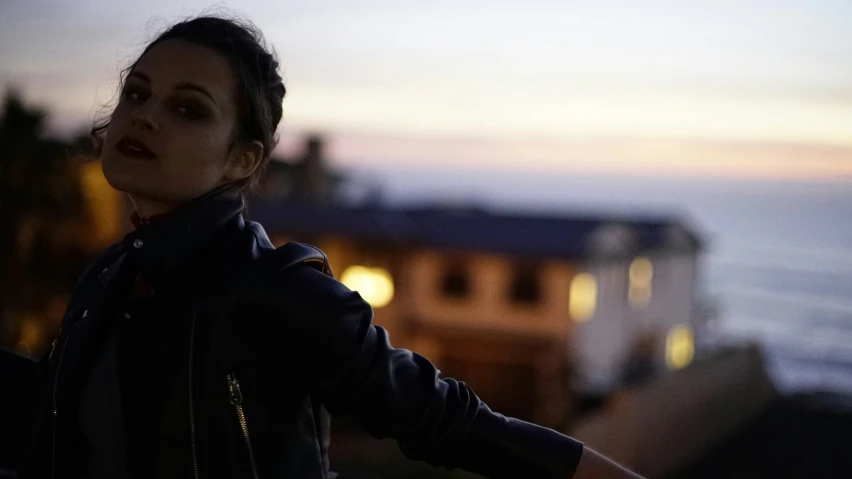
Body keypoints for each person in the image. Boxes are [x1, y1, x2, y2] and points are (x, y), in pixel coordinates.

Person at [2, 14, 642, 479]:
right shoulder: (111, 274)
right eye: (136, 94)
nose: (143, 115)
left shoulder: (277, 288)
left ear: (242, 158)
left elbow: (447, 421)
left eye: (189, 110)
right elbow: (64, 406)